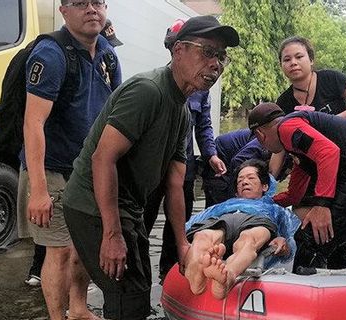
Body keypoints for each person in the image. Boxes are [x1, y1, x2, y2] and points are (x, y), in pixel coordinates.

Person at [62, 15, 239, 320]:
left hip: (128, 208)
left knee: (139, 292)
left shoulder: (182, 111)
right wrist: (112, 234)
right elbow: (102, 159)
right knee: (127, 294)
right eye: (207, 52)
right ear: (179, 50)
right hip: (91, 204)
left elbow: (174, 183)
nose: (216, 65)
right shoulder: (148, 91)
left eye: (222, 56)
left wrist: (183, 245)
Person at [17, 1, 121, 319]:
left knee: (82, 248)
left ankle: (77, 308)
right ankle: (56, 316)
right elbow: (32, 123)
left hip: (87, 170)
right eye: (79, 3)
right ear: (64, 11)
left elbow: (114, 113)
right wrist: (38, 190)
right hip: (52, 169)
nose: (91, 10)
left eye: (97, 2)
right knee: (59, 249)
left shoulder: (107, 52)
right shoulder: (51, 55)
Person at [248, 102, 346, 272]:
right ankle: (342, 285)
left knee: (311, 237)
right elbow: (295, 195)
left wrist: (322, 205)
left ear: (260, 135)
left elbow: (329, 152)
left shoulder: (287, 127)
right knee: (335, 238)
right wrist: (264, 203)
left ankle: (304, 291)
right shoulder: (299, 145)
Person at [142, 18, 227, 280]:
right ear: (176, 51)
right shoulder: (154, 88)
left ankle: (170, 275)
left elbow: (204, 126)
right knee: (142, 222)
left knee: (180, 223)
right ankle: (139, 273)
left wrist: (211, 154)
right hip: (155, 168)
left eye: (219, 56)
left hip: (185, 166)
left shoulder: (202, 88)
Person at [183, 159, 299, 300]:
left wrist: (283, 242)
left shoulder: (275, 209)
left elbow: (290, 243)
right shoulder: (221, 206)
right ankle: (195, 277)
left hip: (258, 221)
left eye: (251, 178)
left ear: (265, 186)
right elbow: (187, 228)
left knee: (248, 239)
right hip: (224, 219)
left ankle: (228, 276)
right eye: (240, 180)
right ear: (236, 191)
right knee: (202, 235)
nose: (244, 182)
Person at [272, 36, 346, 178]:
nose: (293, 63)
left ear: (311, 60)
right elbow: (280, 147)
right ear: (281, 66)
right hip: (316, 164)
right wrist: (270, 179)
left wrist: (331, 122)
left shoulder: (330, 79)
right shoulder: (284, 102)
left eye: (299, 57)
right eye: (287, 59)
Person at [202, 128, 270, 207]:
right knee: (222, 205)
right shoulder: (264, 141)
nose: (245, 182)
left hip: (232, 158)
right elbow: (237, 161)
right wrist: (235, 196)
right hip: (220, 161)